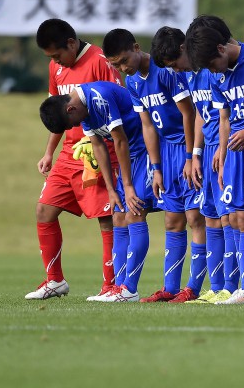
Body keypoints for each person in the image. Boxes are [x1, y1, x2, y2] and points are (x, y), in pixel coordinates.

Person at [102, 28, 207, 304]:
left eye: (124, 60)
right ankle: (170, 288)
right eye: (116, 65)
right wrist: (156, 168)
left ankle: (193, 288)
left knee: (195, 217)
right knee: (172, 221)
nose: (122, 68)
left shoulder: (168, 71)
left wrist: (188, 156)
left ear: (137, 48)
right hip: (164, 155)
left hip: (188, 147)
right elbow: (148, 125)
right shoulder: (133, 82)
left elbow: (189, 113)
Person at [185, 20, 244, 305]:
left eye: (213, 64)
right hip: (236, 151)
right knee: (239, 217)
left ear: (220, 48)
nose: (213, 72)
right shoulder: (216, 74)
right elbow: (224, 117)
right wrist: (223, 155)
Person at [26, 18, 122, 300]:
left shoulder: (101, 61)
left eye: (57, 55)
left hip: (99, 150)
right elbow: (57, 113)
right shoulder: (55, 68)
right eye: (51, 58)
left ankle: (111, 286)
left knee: (106, 218)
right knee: (44, 211)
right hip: (70, 153)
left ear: (71, 43)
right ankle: (54, 281)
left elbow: (117, 101)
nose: (56, 62)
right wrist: (48, 152)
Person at [39, 81, 159, 302]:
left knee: (135, 212)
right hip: (128, 158)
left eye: (69, 124)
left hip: (144, 152)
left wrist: (128, 186)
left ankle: (130, 289)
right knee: (119, 217)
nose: (73, 127)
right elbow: (98, 146)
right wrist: (112, 190)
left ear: (70, 109)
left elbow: (120, 140)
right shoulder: (82, 109)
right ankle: (119, 286)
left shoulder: (98, 97)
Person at [150, 23, 239, 304]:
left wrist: (211, 151)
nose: (175, 70)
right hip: (206, 151)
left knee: (228, 218)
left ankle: (232, 285)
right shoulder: (190, 76)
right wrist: (196, 153)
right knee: (211, 216)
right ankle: (216, 286)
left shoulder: (211, 71)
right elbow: (202, 115)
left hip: (229, 148)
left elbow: (217, 116)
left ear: (184, 49)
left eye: (175, 63)